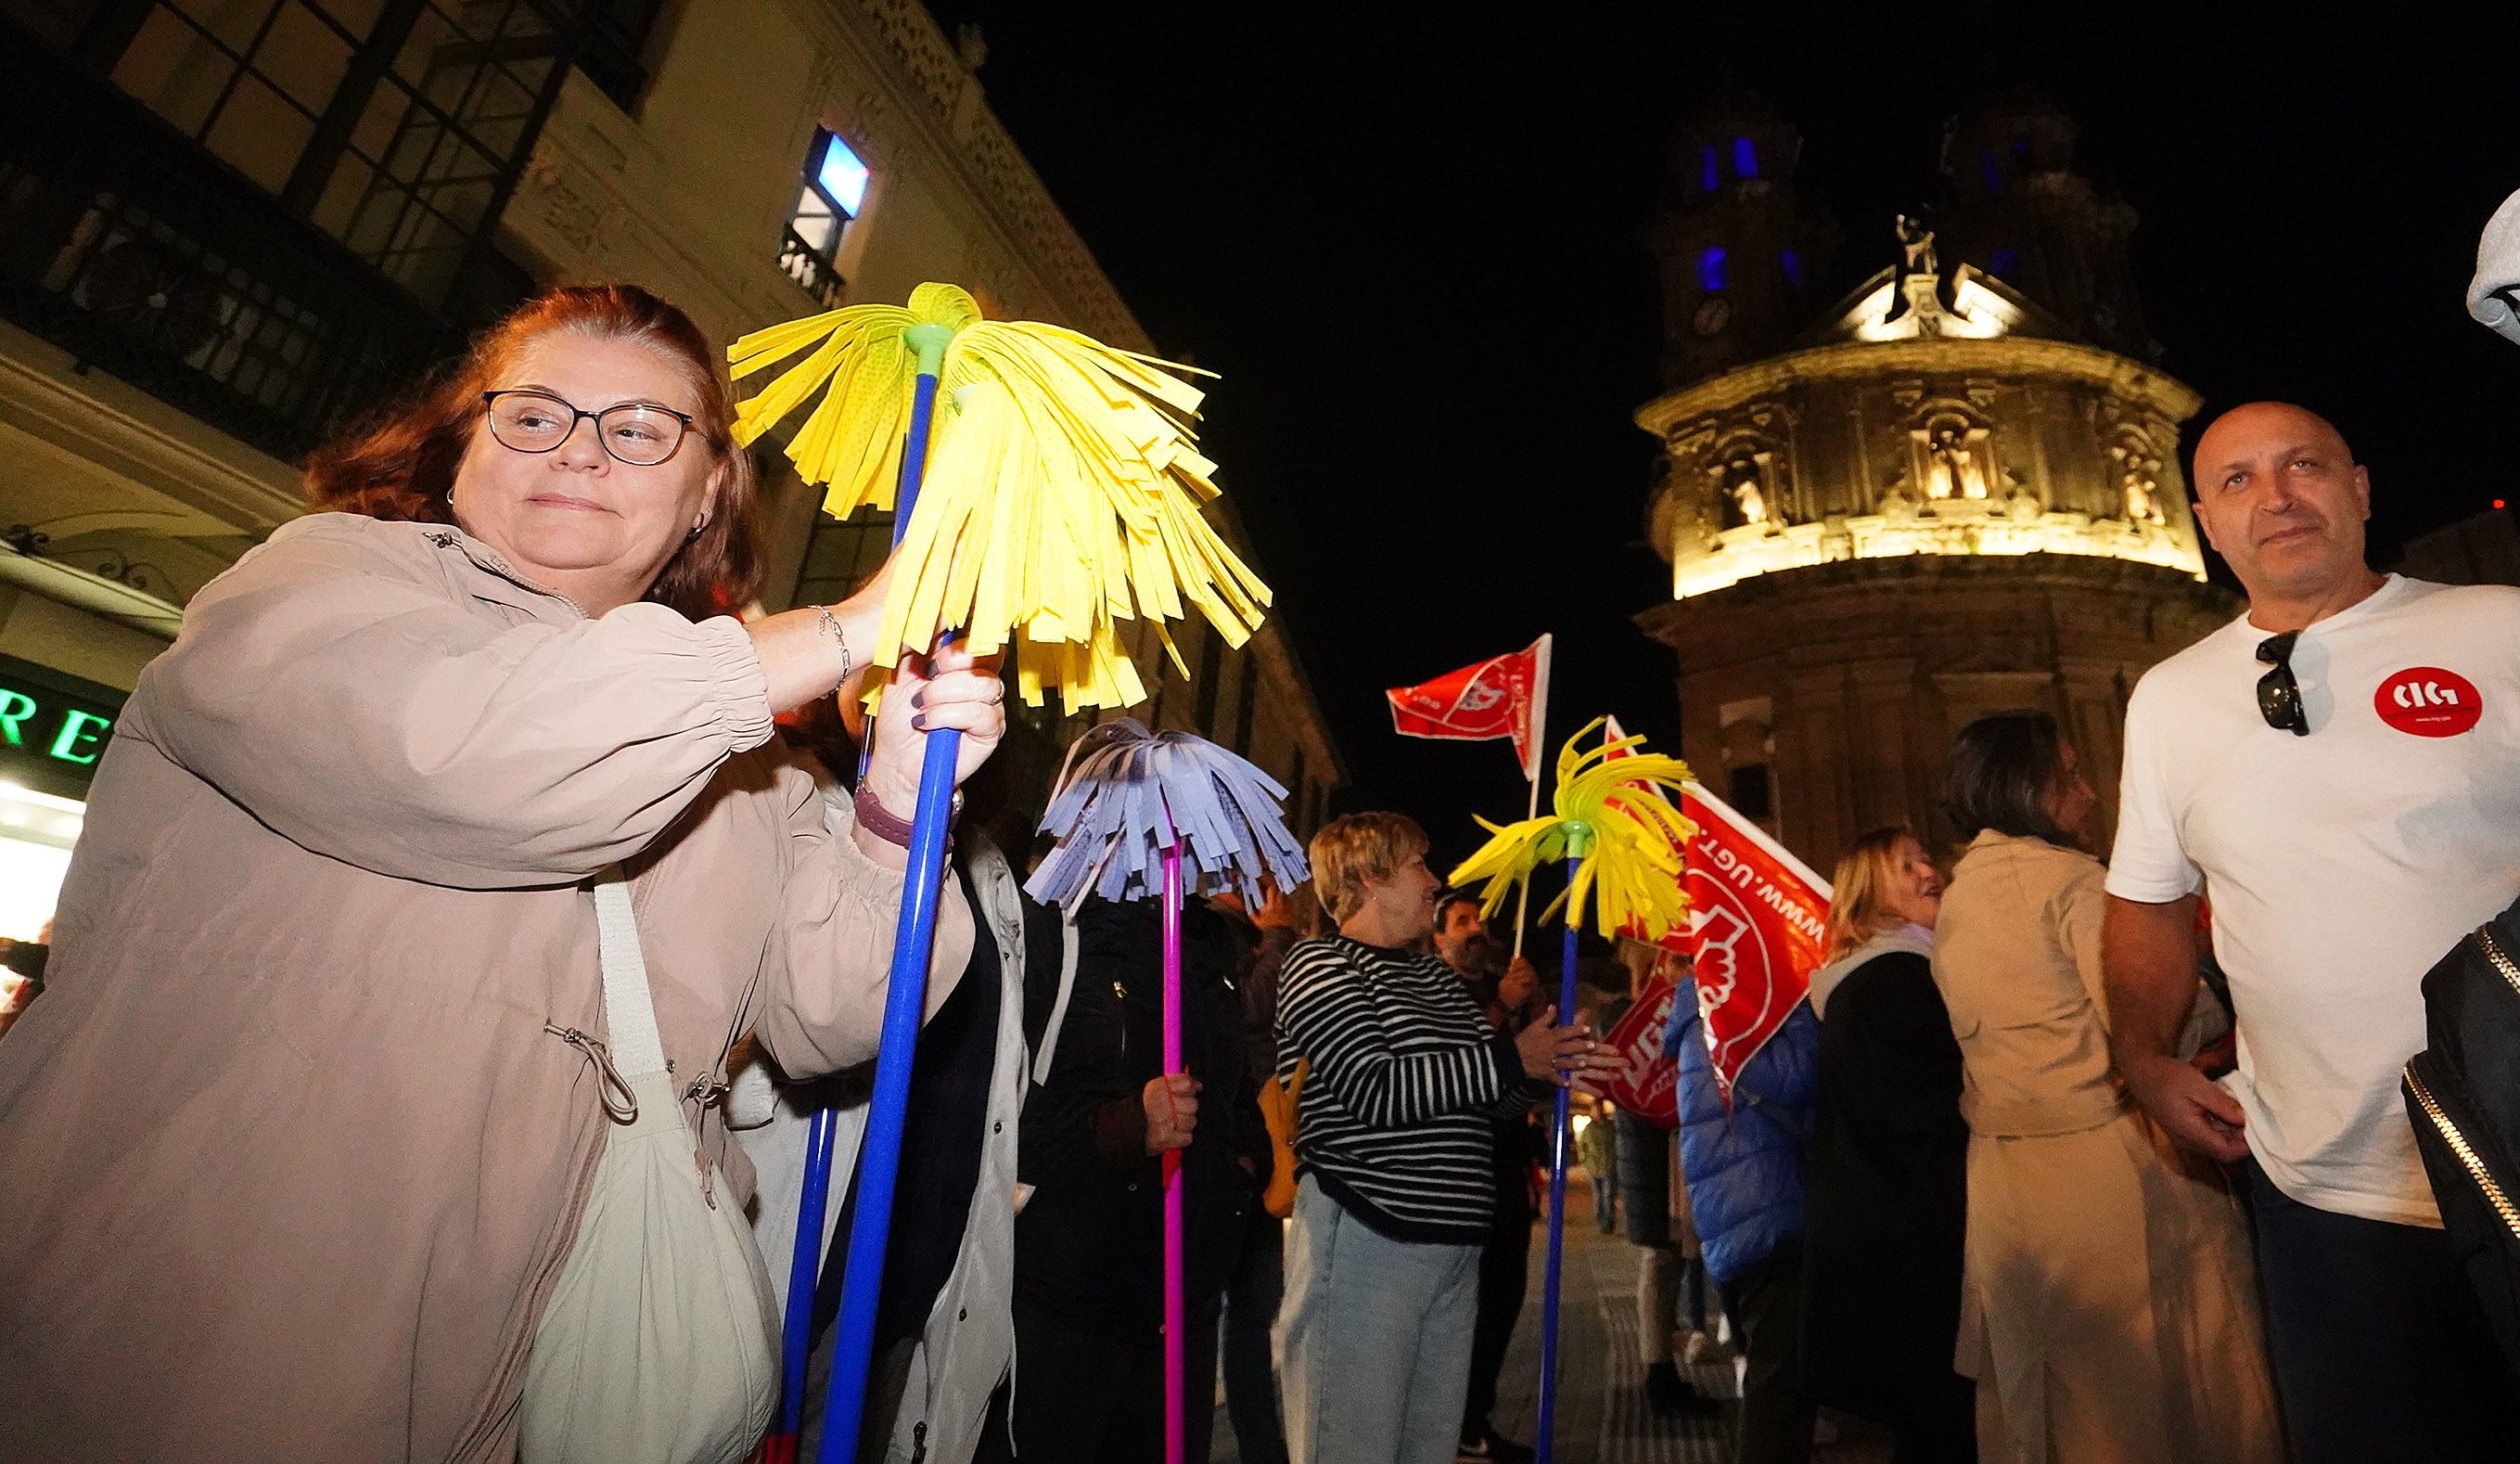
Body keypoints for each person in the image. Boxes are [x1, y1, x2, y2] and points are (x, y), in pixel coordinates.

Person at [0, 284, 1009, 1460]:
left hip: (552, 1363)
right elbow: (469, 756)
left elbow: (834, 1017)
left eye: (638, 431)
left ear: (703, 503)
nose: (579, 452)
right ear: (460, 449)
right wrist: (847, 629)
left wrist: (893, 802)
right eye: (533, 416)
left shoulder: (754, 766)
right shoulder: (311, 589)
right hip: (199, 1325)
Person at [2104, 401, 2520, 1461]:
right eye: (2236, 481)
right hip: (2321, 1194)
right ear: (2203, 522)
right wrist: (2142, 1059)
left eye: (2303, 466)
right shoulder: (2166, 699)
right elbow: (2145, 901)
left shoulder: (2497, 626)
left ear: (2360, 487)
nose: (2276, 496)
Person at [1938, 712, 2281, 1463]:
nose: (2089, 794)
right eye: (2068, 774)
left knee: (2047, 1392)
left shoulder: (1959, 892)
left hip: (2005, 1183)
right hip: (2111, 1177)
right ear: (2025, 785)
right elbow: (2149, 1032)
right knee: (2156, 1386)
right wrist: (2214, 989)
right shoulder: (2072, 884)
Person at [1273, 813, 1616, 1464]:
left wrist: (1553, 1065)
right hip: (1370, 1238)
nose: (1435, 882)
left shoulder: (1433, 977)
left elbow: (1488, 1097)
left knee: (1426, 1449)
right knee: (1350, 1448)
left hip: (1454, 1252)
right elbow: (1374, 1088)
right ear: (1369, 876)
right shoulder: (1319, 963)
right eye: (1418, 866)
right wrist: (1511, 1060)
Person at [999, 890, 1271, 1464]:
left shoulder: (1210, 941)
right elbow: (1001, 1125)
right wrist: (1126, 1127)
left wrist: (1242, 1164)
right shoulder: (1052, 927)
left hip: (1182, 1317)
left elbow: (1234, 1098)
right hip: (1072, 1319)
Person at [1798, 827, 1972, 1464]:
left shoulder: (1874, 978)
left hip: (1886, 1238)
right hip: (1913, 1243)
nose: (1929, 871)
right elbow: (1936, 1114)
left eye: (1925, 857)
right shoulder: (1894, 982)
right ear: (1871, 896)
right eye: (1905, 866)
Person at [1667, 959, 1820, 1464]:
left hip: (1735, 1206)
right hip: (1767, 1200)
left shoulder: (1699, 1006)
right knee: (1778, 1388)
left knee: (1771, 1377)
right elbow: (1794, 1078)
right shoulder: (1741, 999)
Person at [1430, 891, 1546, 1464]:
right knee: (1468, 1304)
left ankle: (1476, 1417)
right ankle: (1454, 1421)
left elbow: (1528, 1065)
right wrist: (1500, 1005)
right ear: (1437, 938)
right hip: (1461, 1167)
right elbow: (1460, 1055)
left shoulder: (1500, 983)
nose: (1476, 929)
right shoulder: (1434, 986)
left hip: (1506, 1162)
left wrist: (1535, 1002)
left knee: (1503, 1297)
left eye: (1479, 919)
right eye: (1461, 921)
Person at [1210, 882, 1304, 1464]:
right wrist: (1275, 937)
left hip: (1256, 1153)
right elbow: (1248, 1009)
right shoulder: (1212, 931)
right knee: (1221, 1319)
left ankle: (1262, 1448)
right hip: (1224, 1153)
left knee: (1251, 1319)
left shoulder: (1245, 935)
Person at [1579, 1100, 1619, 1234]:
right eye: (1594, 1109)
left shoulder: (1610, 1127)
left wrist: (1614, 1159)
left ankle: (1609, 1222)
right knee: (1598, 1195)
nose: (1596, 1112)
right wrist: (1585, 1161)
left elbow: (1616, 1144)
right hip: (1593, 1167)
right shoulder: (1589, 1129)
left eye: (1598, 1109)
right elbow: (1582, 1147)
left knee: (1608, 1195)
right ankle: (1601, 1221)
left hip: (1608, 1166)